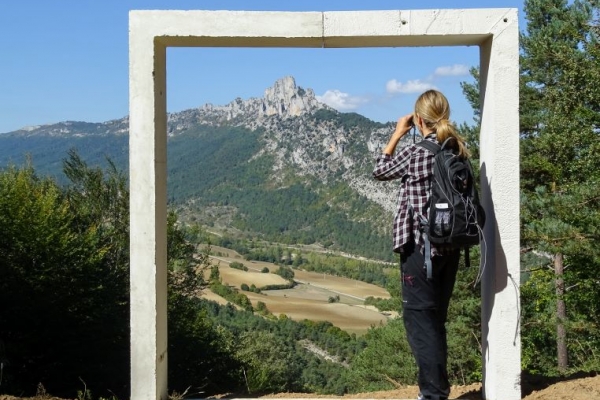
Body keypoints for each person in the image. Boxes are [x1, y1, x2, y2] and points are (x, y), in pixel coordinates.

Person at [372, 90, 470, 400]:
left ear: (418, 119)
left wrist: (398, 134)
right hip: (450, 247)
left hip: (420, 248)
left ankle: (433, 395)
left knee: (419, 320)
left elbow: (380, 170)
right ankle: (437, 390)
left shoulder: (418, 152)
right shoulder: (456, 149)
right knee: (435, 319)